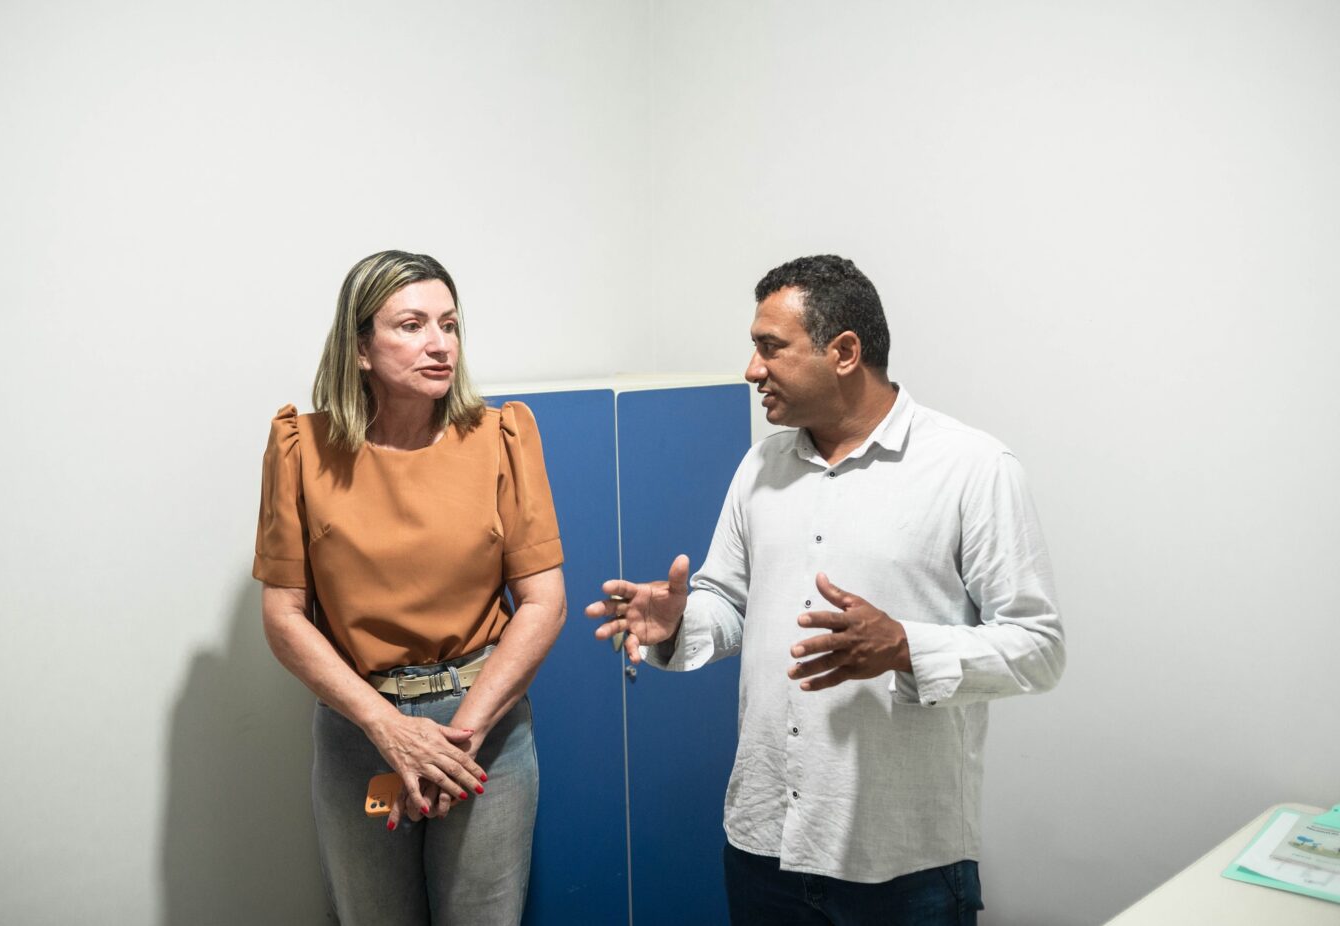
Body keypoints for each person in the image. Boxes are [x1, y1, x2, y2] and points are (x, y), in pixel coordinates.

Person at [586, 254, 1065, 925]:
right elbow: (730, 604)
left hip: (904, 864)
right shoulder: (761, 466)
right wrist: (681, 623)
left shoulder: (972, 468)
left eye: (770, 347)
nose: (752, 370)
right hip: (764, 847)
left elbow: (1038, 648)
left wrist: (904, 648)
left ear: (843, 352)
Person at [254, 250, 566, 925]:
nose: (440, 343)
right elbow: (283, 617)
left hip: (483, 728)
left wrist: (460, 740)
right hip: (359, 730)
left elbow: (544, 602)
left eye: (449, 324)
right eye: (412, 325)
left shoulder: (501, 438)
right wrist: (387, 727)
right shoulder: (301, 449)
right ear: (360, 348)